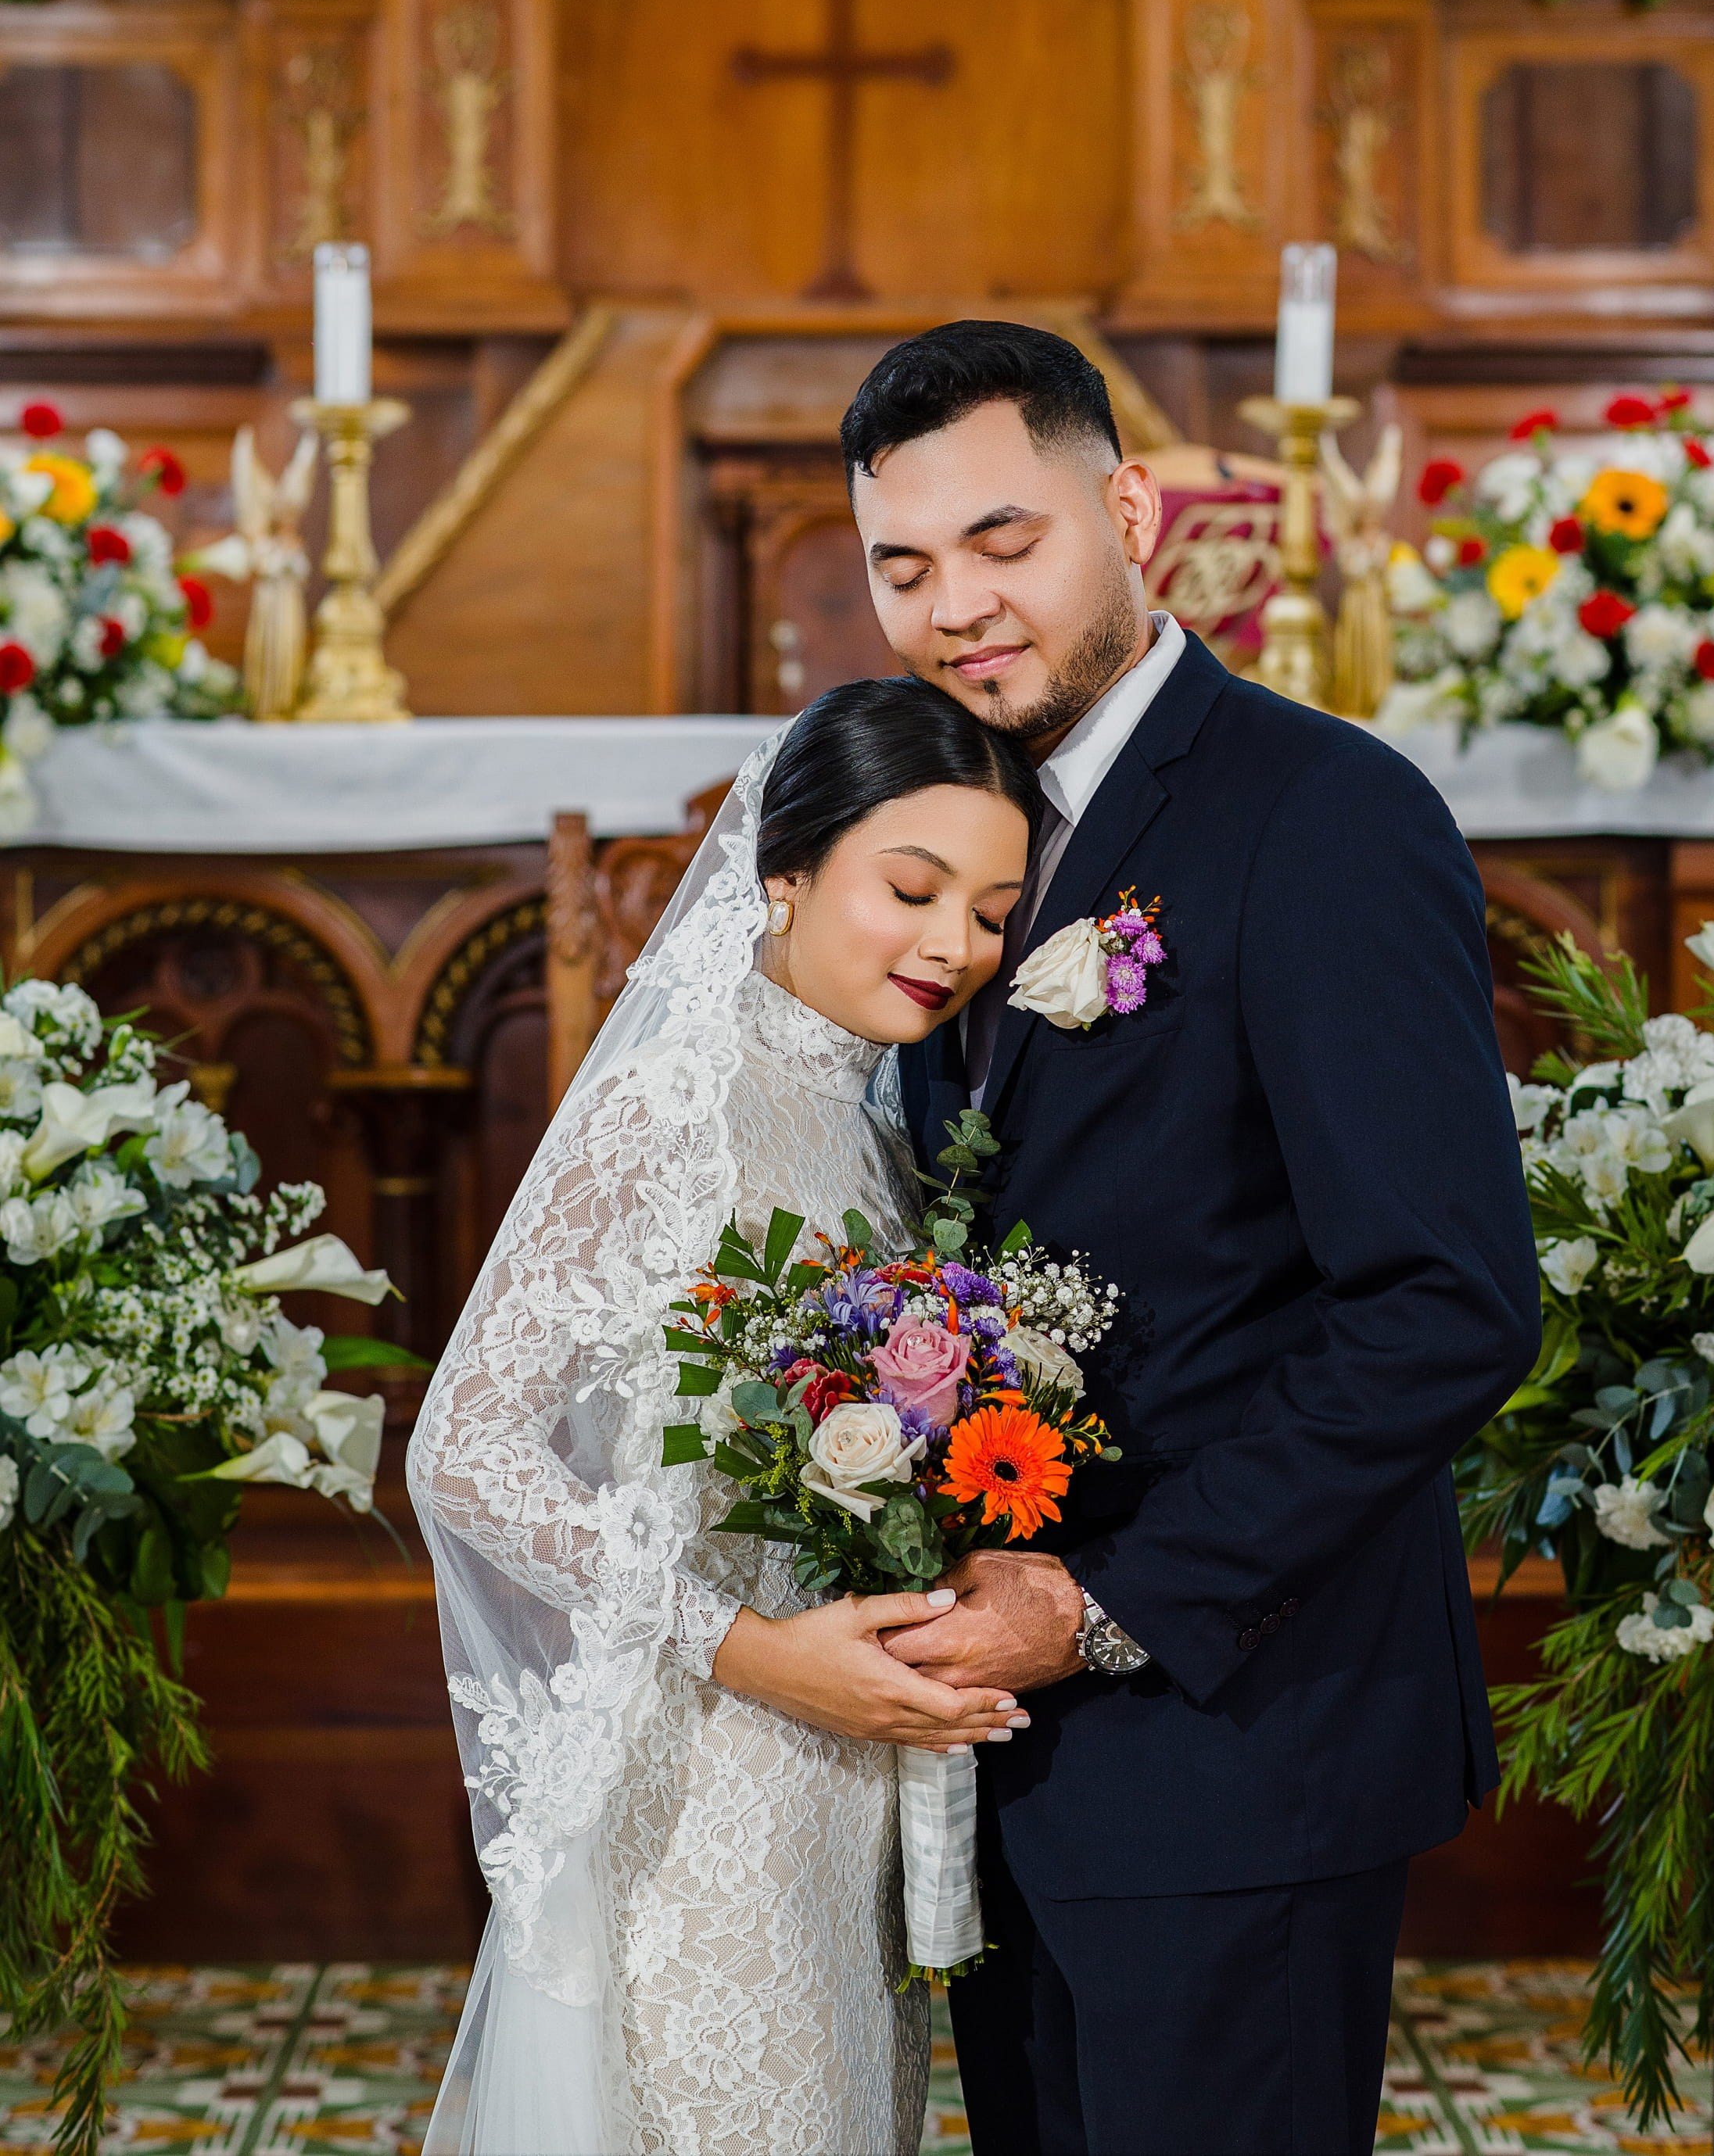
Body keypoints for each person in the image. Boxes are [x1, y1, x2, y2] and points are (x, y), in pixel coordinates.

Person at [838, 321, 1542, 2156]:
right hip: (1003, 1745)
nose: (956, 607)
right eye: (902, 567)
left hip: (1245, 1724)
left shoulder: (1321, 812)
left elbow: (1444, 1302)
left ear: (1128, 507)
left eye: (1006, 541)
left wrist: (1094, 1606)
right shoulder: (946, 828)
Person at [407, 678, 1045, 2156]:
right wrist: (746, 1649)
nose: (955, 945)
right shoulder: (674, 1103)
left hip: (845, 1778)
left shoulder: (875, 1118)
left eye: (995, 909)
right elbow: (464, 1447)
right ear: (783, 872)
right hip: (710, 1781)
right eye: (912, 888)